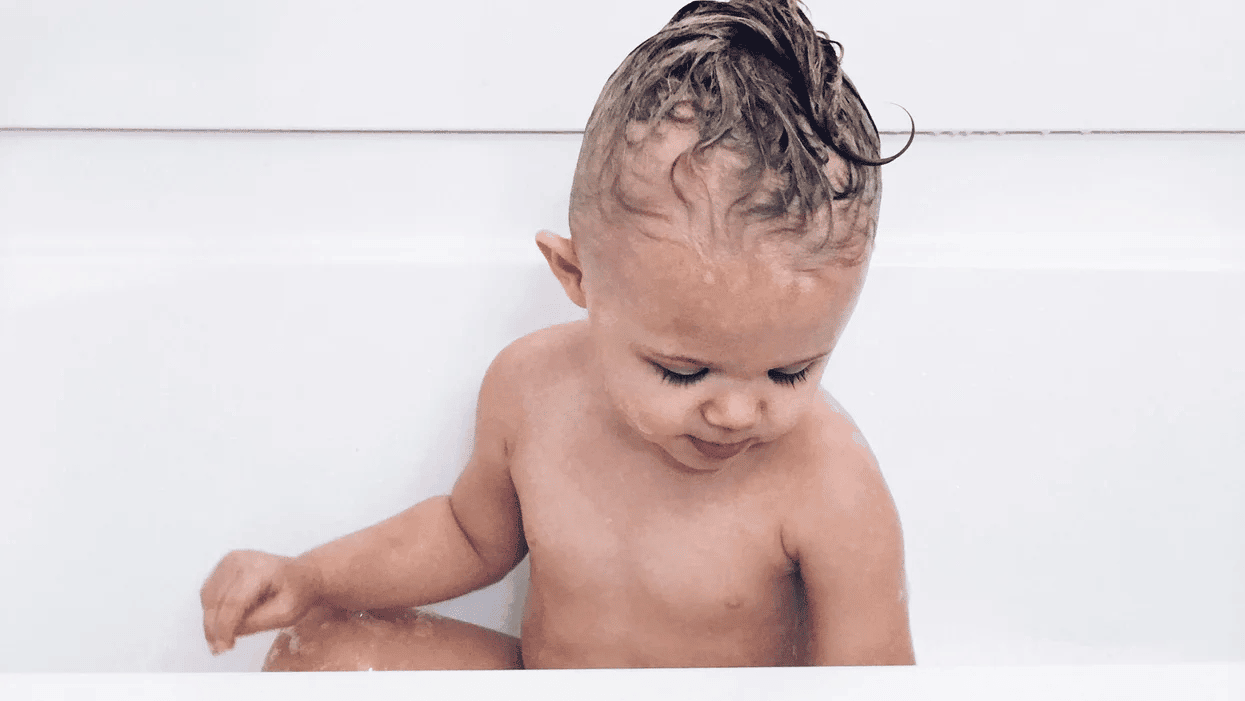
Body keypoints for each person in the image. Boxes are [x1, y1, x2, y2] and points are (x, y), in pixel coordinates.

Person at [200, 0, 915, 670]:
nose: (734, 410)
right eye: (682, 371)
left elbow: (874, 682)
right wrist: (310, 574)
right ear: (575, 276)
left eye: (789, 371)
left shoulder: (828, 483)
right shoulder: (531, 388)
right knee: (315, 652)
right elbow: (467, 533)